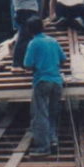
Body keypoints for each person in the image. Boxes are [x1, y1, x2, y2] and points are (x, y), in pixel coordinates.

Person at [22, 17, 66, 155]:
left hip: (42, 81)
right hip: (57, 82)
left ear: (30, 30)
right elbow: (63, 59)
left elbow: (27, 65)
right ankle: (53, 140)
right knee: (52, 114)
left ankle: (43, 147)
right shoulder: (53, 41)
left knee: (40, 114)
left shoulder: (33, 43)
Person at [11, 0, 44, 69]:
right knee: (25, 38)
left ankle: (25, 62)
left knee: (25, 37)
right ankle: (17, 64)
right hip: (29, 11)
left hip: (18, 11)